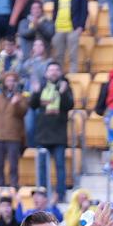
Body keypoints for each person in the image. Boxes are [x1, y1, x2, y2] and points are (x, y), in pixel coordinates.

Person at [30, 63, 74, 201]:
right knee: (42, 167)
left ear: (60, 72)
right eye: (51, 70)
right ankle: (43, 195)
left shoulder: (65, 86)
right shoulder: (41, 87)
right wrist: (36, 92)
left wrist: (63, 93)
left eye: (56, 69)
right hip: (43, 134)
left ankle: (60, 194)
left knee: (60, 166)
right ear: (46, 73)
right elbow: (32, 105)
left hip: (59, 134)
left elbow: (69, 105)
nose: (53, 72)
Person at [49, 0, 87, 76]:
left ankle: (73, 76)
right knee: (58, 55)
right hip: (58, 28)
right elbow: (55, 9)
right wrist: (54, 24)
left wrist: (81, 26)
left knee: (73, 55)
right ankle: (58, 76)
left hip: (73, 28)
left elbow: (84, 9)